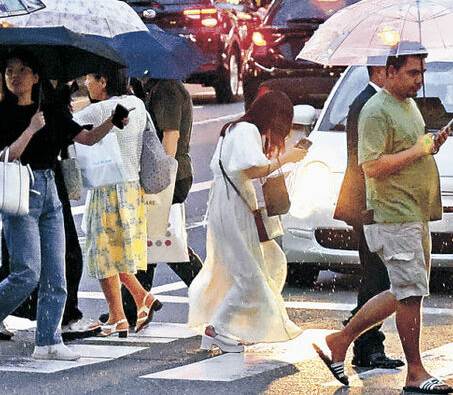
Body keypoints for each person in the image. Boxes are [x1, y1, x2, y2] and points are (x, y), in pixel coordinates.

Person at [0, 52, 123, 361]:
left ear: (36, 77)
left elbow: (86, 139)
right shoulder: (2, 113)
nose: (15, 76)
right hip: (21, 192)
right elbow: (4, 157)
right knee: (26, 273)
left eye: (22, 70)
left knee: (55, 273)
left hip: (50, 192)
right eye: (9, 71)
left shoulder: (50, 110)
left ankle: (48, 340)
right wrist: (32, 128)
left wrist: (112, 122)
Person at [315, 51, 453, 394]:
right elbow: (371, 166)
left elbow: (411, 149)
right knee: (409, 293)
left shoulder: (408, 105)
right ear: (389, 72)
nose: (418, 79)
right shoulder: (374, 110)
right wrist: (421, 150)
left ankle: (341, 339)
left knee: (406, 291)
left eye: (422, 71)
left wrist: (431, 145)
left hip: (414, 213)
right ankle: (416, 372)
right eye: (411, 72)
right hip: (392, 214)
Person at [188, 91, 306, 352]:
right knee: (249, 274)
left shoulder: (236, 129)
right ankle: (217, 327)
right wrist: (286, 158)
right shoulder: (246, 130)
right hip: (234, 205)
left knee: (240, 269)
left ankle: (221, 328)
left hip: (228, 202)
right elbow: (251, 169)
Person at [76, 68, 161, 336]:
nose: (85, 83)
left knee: (103, 253)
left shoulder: (102, 110)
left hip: (108, 189)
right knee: (118, 253)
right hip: (132, 189)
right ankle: (129, 308)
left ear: (103, 80)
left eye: (89, 78)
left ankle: (121, 313)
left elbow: (64, 123)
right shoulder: (137, 103)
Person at [332, 65, 404, 370]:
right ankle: (361, 339)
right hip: (368, 203)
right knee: (376, 276)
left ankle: (361, 339)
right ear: (380, 73)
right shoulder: (366, 105)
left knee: (378, 275)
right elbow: (367, 161)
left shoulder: (373, 102)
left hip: (371, 202)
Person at [117, 78, 204, 326]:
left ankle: (213, 297)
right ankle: (132, 307)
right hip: (162, 175)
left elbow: (171, 137)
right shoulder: (152, 88)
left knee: (168, 245)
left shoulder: (167, 89)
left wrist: (162, 183)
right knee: (153, 243)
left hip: (169, 177)